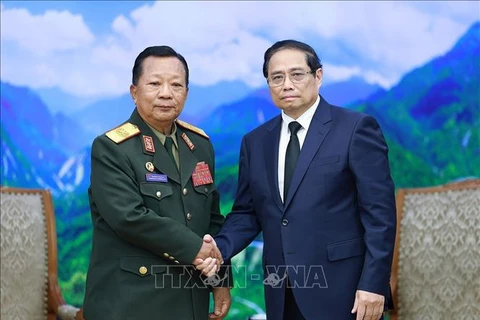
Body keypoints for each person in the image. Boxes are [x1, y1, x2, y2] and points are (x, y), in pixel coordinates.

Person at [196, 40, 396, 320]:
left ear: (318, 76)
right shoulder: (255, 142)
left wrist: (373, 285)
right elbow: (246, 213)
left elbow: (380, 216)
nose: (286, 84)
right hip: (281, 291)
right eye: (277, 77)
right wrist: (219, 249)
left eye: (297, 74)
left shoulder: (355, 129)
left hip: (346, 293)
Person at [83, 45, 231, 320]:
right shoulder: (111, 147)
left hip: (189, 301)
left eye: (176, 85)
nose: (166, 93)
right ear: (134, 91)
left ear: (186, 93)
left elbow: (211, 219)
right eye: (154, 83)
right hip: (131, 303)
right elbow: (129, 217)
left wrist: (220, 280)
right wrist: (195, 248)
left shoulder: (199, 145)